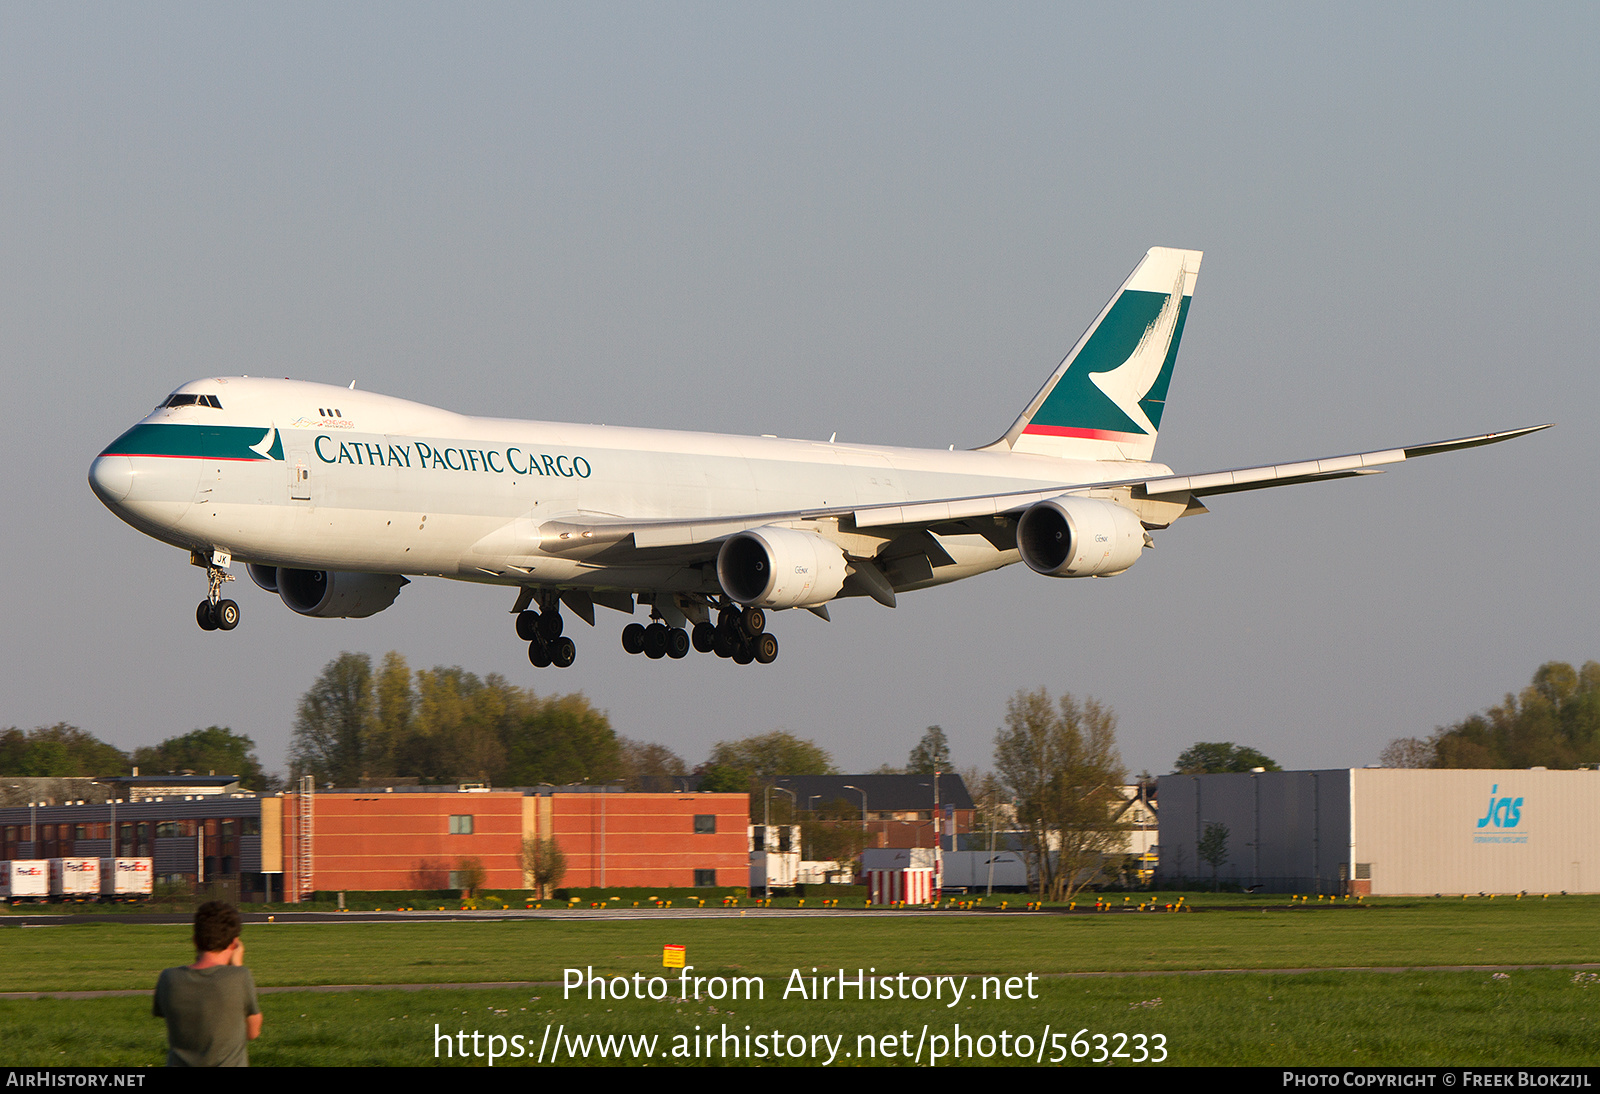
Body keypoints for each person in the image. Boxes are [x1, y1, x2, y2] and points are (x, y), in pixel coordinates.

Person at [153, 900, 263, 1066]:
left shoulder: (168, 978)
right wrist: (237, 965)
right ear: (234, 943)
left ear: (195, 940)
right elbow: (252, 1031)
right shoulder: (239, 976)